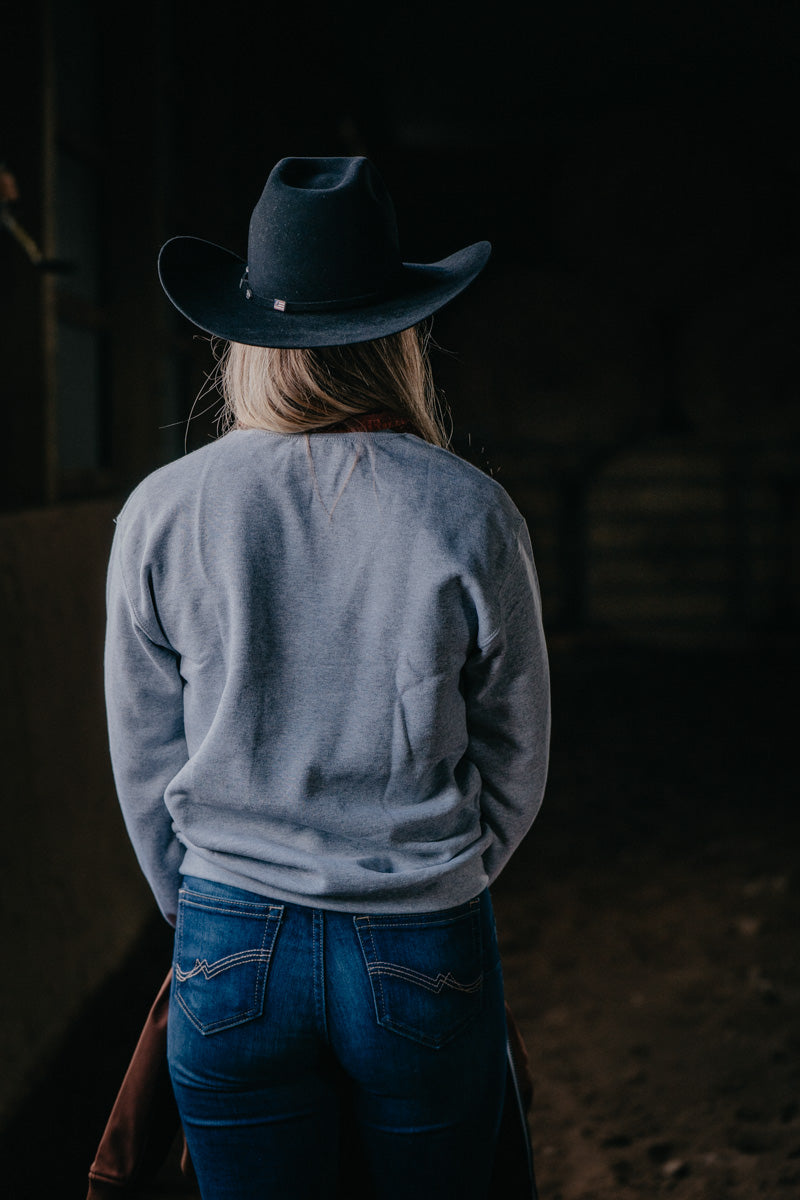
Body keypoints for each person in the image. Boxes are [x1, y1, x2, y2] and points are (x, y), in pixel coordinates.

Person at [104, 155, 550, 1200]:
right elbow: (515, 744)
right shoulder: (469, 509)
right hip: (421, 931)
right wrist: (446, 868)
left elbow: (143, 749)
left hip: (228, 935)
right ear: (402, 333)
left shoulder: (163, 510)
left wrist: (206, 898)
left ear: (244, 339)